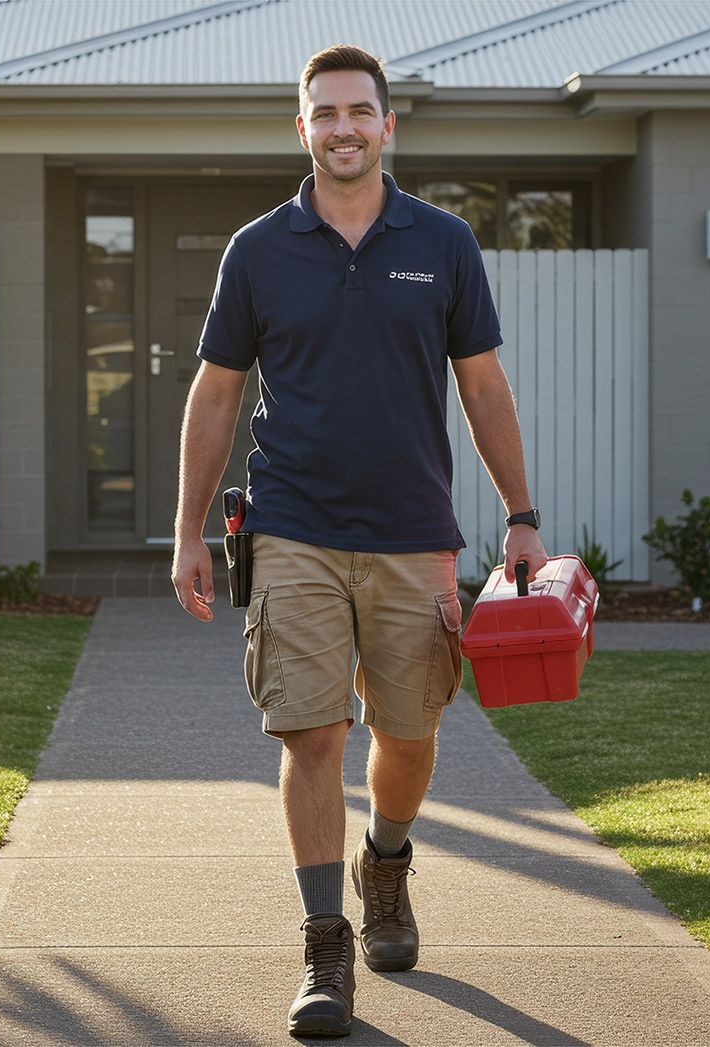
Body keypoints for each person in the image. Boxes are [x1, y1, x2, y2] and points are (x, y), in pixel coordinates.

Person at [169, 43, 549, 1038]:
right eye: (324, 112)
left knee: (409, 734)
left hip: (413, 532)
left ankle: (386, 862)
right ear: (302, 129)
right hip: (290, 522)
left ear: (388, 126)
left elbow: (483, 385)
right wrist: (189, 531)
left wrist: (521, 515)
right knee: (312, 731)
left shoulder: (444, 241)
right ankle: (325, 945)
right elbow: (215, 395)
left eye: (359, 112)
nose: (342, 127)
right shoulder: (258, 250)